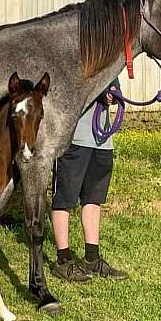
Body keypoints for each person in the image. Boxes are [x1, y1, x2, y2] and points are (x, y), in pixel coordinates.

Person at [51, 79, 128, 282]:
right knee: (64, 198)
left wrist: (113, 92)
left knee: (93, 199)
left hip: (102, 140)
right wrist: (101, 90)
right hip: (74, 139)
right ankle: (63, 260)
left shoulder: (107, 58)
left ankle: (91, 258)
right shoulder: (75, 56)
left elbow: (113, 84)